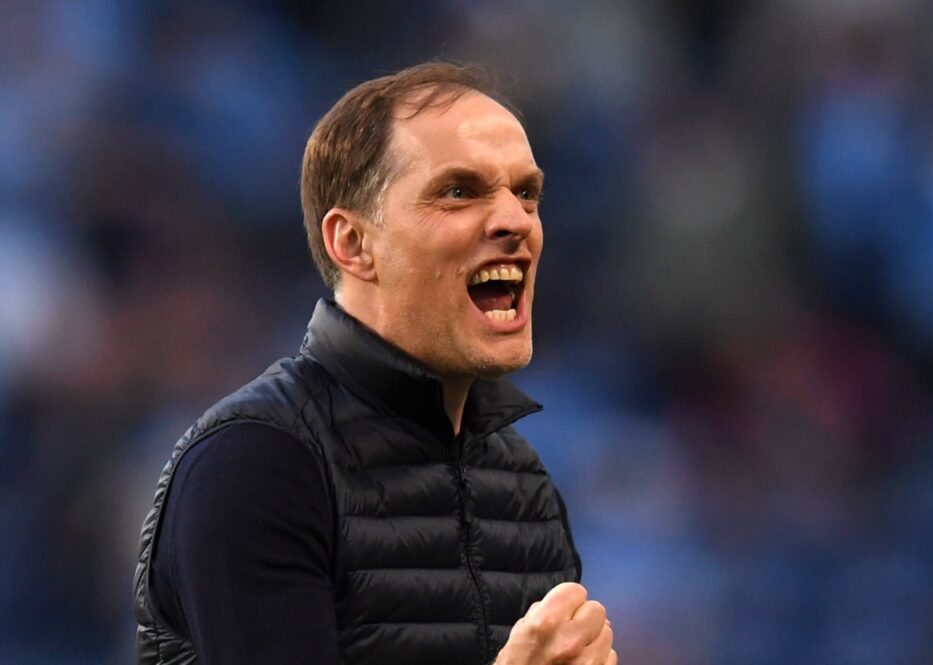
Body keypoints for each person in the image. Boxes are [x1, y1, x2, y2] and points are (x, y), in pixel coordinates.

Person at [132, 62, 617, 665]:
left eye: (525, 193)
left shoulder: (523, 484)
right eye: (459, 192)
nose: (516, 221)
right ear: (353, 244)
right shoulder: (255, 461)